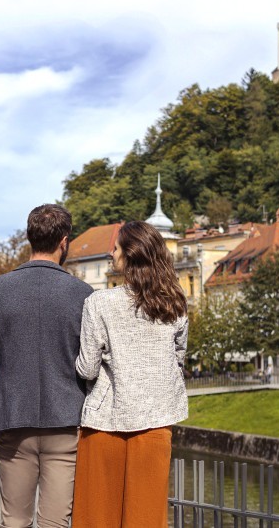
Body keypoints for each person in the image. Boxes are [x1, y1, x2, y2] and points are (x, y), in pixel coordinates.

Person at [0, 204, 93, 528]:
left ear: (29, 238)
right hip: (66, 420)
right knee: (55, 522)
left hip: (12, 420)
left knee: (14, 520)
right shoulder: (83, 294)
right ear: (64, 241)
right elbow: (92, 363)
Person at [72, 221, 189, 527]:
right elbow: (178, 360)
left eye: (115, 248)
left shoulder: (99, 302)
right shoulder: (174, 304)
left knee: (96, 517)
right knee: (147, 518)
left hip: (105, 423)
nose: (111, 254)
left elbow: (87, 368)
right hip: (156, 422)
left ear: (129, 254)